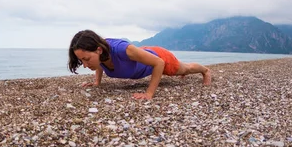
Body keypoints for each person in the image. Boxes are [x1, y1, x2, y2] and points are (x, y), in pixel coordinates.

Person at [68, 30, 211, 100]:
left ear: (99, 50)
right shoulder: (100, 53)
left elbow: (159, 63)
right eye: (82, 61)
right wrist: (97, 82)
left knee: (184, 69)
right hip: (141, 54)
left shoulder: (121, 49)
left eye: (87, 59)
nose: (86, 65)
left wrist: (149, 93)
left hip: (159, 56)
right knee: (182, 70)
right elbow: (99, 64)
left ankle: (205, 71)